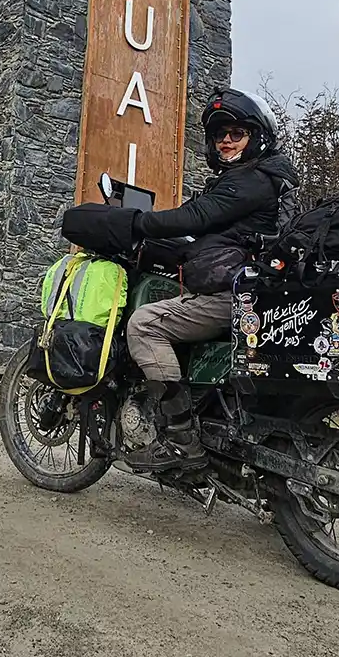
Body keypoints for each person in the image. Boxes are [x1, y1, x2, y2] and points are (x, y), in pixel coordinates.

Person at [119, 88, 298, 470]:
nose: (227, 141)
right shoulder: (264, 179)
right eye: (220, 135)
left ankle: (181, 441)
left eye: (237, 133)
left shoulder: (253, 180)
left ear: (257, 138)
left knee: (145, 324)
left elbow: (195, 216)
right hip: (257, 289)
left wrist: (132, 222)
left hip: (236, 294)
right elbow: (207, 229)